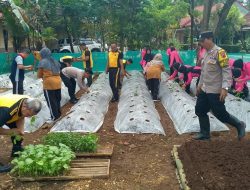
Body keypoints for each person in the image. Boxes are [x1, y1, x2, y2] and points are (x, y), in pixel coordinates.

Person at [195, 31, 245, 140]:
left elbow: (226, 71)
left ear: (210, 39)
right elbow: (203, 71)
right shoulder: (205, 53)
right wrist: (199, 84)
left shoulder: (220, 53)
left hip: (215, 90)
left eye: (203, 41)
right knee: (199, 110)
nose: (201, 44)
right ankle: (205, 134)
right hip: (204, 89)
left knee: (220, 114)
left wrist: (225, 88)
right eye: (200, 42)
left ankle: (239, 124)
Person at [0, 95, 42, 172]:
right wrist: (11, 131)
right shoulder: (7, 111)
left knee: (18, 133)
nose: (29, 117)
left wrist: (20, 131)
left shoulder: (27, 101)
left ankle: (16, 152)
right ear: (24, 107)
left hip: (7, 114)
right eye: (29, 115)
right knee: (14, 131)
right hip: (2, 112)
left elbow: (21, 116)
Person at [37, 47, 62, 122]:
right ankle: (58, 114)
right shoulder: (55, 61)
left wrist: (44, 76)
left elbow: (39, 75)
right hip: (58, 82)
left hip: (49, 84)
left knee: (51, 101)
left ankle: (54, 117)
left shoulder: (42, 62)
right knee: (57, 100)